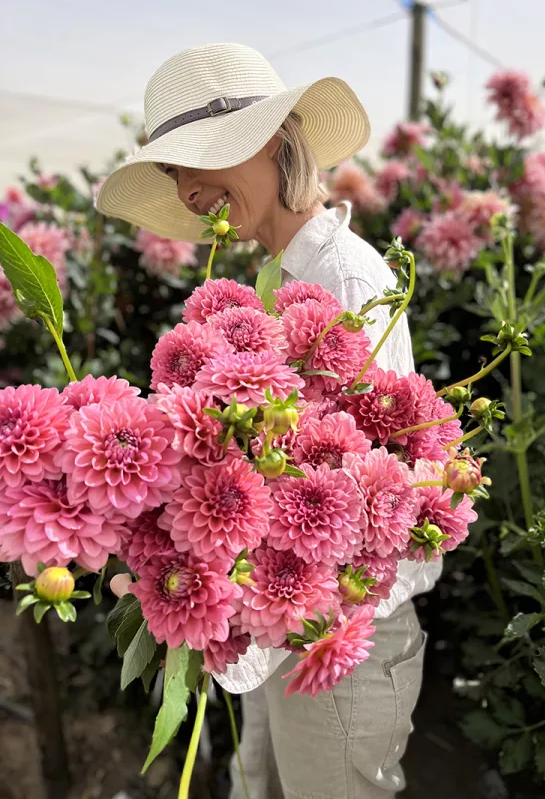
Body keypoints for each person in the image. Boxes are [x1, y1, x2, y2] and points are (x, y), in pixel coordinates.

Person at [99, 43, 442, 799]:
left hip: (339, 630)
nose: (187, 192)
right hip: (284, 614)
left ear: (270, 139)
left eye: (195, 162)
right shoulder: (272, 276)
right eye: (174, 174)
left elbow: (373, 491)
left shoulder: (343, 275)